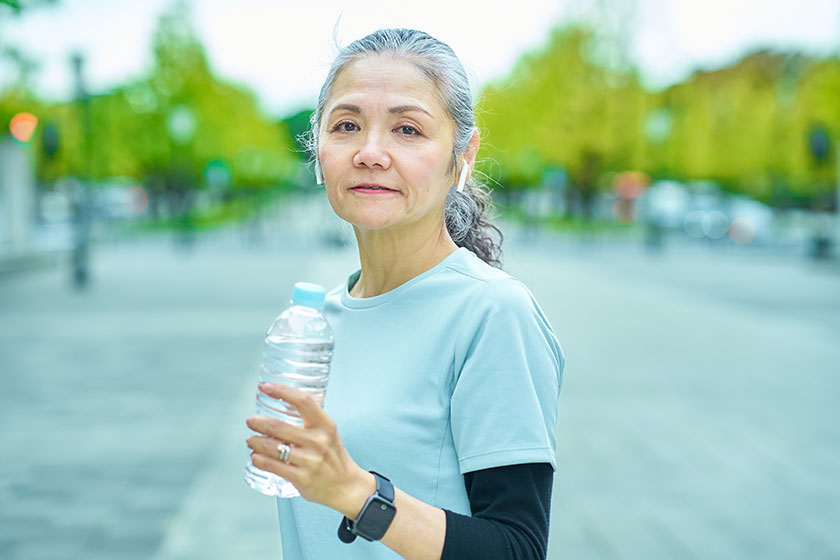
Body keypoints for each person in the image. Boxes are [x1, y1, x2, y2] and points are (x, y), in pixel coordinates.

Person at [246, 28, 564, 560]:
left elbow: (518, 548)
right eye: (347, 125)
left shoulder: (491, 314)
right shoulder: (316, 323)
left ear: (462, 155)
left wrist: (357, 494)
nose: (370, 153)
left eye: (407, 129)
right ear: (318, 149)